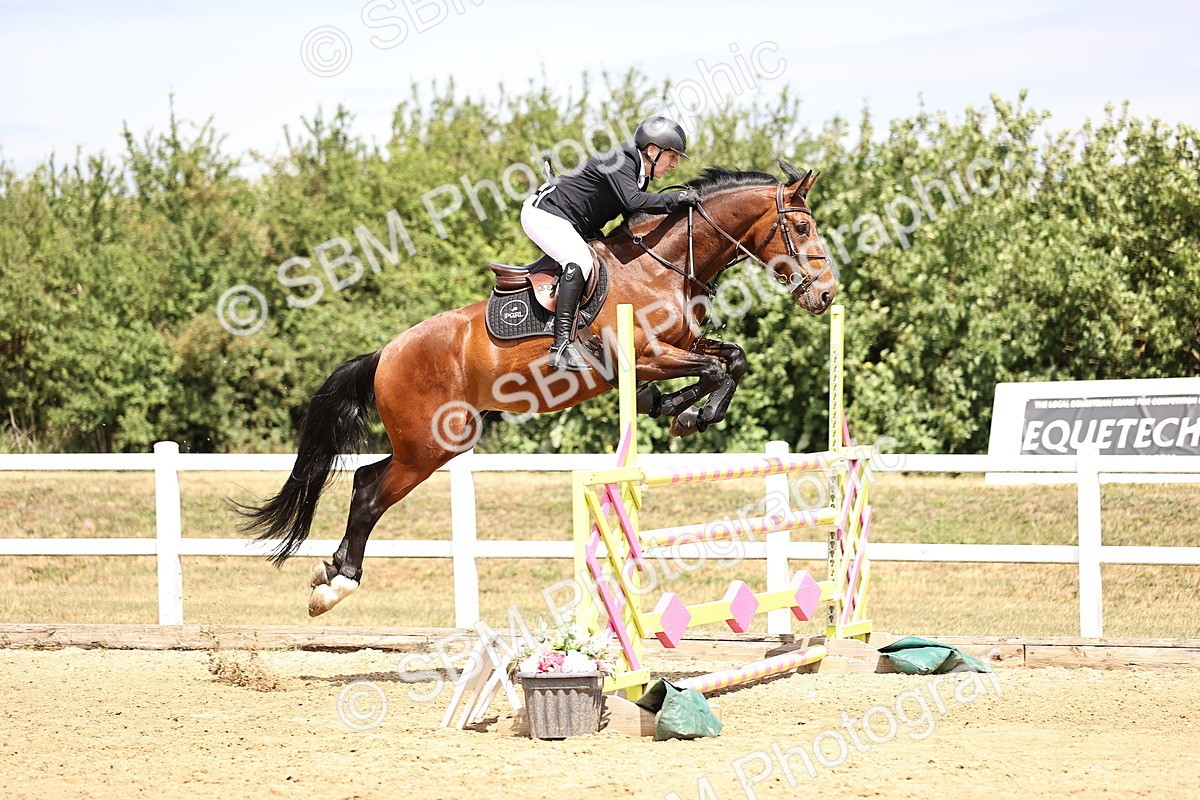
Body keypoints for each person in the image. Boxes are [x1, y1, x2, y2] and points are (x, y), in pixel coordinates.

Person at [521, 116, 701, 371]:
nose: (674, 165)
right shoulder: (622, 160)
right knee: (579, 261)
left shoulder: (640, 175)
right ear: (652, 151)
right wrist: (678, 199)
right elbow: (634, 202)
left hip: (573, 222)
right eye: (672, 156)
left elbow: (634, 220)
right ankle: (561, 346)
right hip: (545, 214)